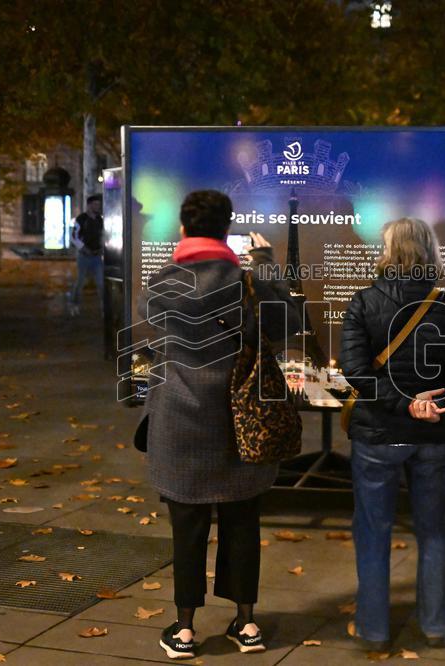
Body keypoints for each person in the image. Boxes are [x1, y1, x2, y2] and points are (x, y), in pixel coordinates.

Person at [141, 190, 300, 660]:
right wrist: (265, 264)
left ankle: (185, 631)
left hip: (179, 425)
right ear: (228, 229)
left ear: (184, 229)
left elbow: (146, 326)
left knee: (187, 528)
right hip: (241, 423)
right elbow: (288, 322)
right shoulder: (247, 283)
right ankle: (246, 625)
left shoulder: (163, 284)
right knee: (242, 522)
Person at [340, 218, 445, 651]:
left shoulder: (364, 302)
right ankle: (437, 626)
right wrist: (437, 405)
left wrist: (405, 404)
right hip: (436, 437)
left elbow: (356, 372)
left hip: (378, 435)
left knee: (373, 532)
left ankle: (374, 630)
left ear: (389, 251)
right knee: (436, 531)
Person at [69, 194, 104, 315]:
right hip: (84, 256)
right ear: (89, 205)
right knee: (80, 282)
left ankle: (104, 307)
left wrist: (102, 247)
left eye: (99, 205)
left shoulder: (100, 220)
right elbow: (73, 237)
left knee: (101, 283)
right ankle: (74, 304)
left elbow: (103, 235)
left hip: (96, 255)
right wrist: (83, 248)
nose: (98, 207)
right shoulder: (81, 219)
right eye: (95, 204)